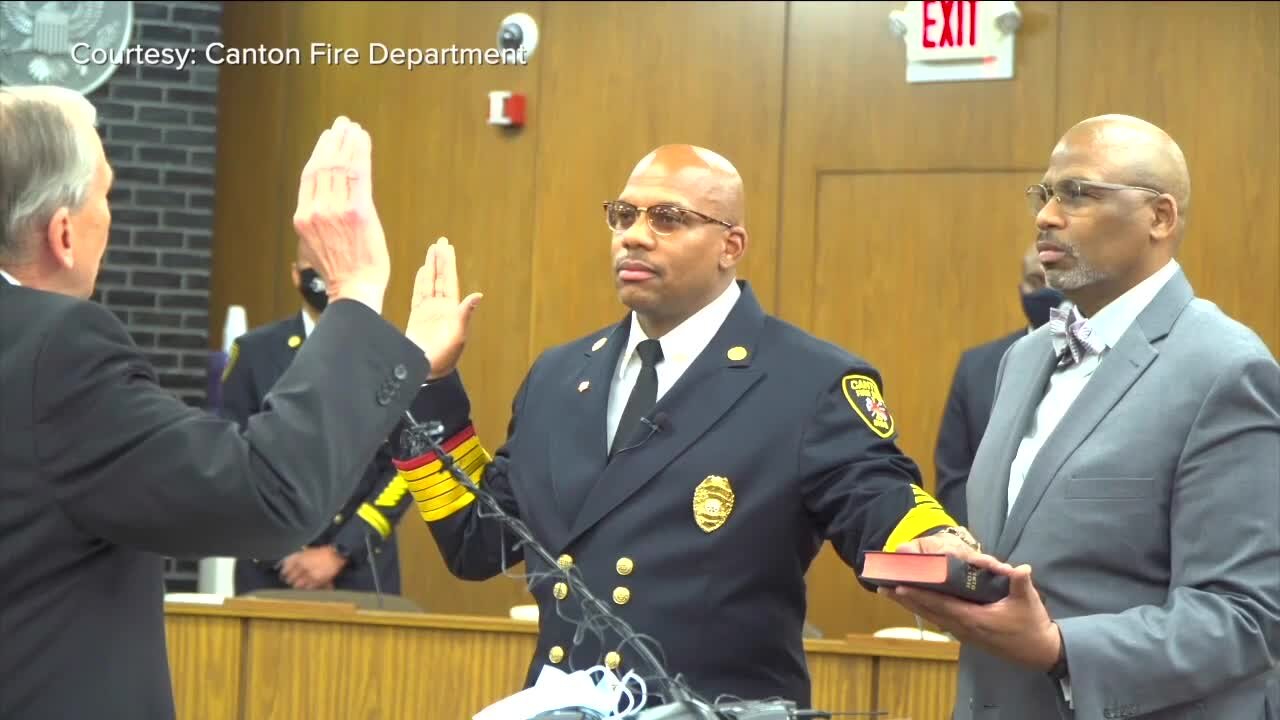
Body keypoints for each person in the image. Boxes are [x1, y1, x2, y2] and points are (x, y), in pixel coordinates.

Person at [388, 145, 980, 709]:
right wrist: (430, 383)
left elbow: (874, 494)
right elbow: (477, 544)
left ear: (731, 244)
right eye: (623, 215)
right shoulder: (561, 374)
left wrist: (940, 543)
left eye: (668, 218)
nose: (634, 235)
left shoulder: (807, 380)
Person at [0, 86, 437, 719]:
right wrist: (357, 291)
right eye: (106, 196)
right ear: (63, 233)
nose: (110, 218)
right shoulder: (55, 349)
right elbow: (267, 492)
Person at [884, 115, 1280, 719]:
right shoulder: (1024, 357)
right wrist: (955, 572)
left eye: (1078, 193)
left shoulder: (1226, 368)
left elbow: (1246, 617)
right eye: (1044, 194)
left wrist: (1058, 647)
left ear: (1160, 217)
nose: (1045, 216)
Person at [220, 248, 415, 595]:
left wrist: (340, 552)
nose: (325, 276)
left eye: (335, 262)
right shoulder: (254, 353)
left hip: (363, 570)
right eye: (315, 266)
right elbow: (230, 456)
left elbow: (405, 467)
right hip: (269, 571)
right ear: (296, 274)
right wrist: (283, 552)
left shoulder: (394, 355)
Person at [934, 243, 1064, 523]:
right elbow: (953, 475)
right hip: (984, 548)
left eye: (1055, 280)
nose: (1046, 290)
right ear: (1020, 289)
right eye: (1034, 281)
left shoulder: (1102, 355)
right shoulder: (975, 366)